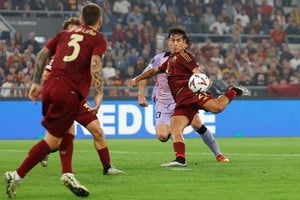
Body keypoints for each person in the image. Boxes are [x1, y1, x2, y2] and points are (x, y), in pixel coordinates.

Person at [5, 3, 110, 198]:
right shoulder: (98, 39)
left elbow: (43, 54)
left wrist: (36, 83)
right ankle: (16, 175)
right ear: (100, 20)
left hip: (51, 86)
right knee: (51, 141)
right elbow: (95, 63)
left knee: (68, 130)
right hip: (68, 91)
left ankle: (67, 173)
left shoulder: (63, 34)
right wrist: (99, 92)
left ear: (81, 18)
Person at [131, 27, 249, 167]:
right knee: (176, 128)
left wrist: (203, 79)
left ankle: (233, 91)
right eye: (173, 40)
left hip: (193, 94)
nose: (175, 43)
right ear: (169, 42)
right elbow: (154, 71)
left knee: (216, 108)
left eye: (179, 41)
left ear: (185, 44)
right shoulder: (166, 61)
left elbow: (196, 70)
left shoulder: (186, 56)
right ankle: (180, 159)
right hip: (181, 101)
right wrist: (137, 78)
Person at [39, 17, 123, 178]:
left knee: (97, 130)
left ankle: (107, 167)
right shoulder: (59, 55)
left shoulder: (85, 51)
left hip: (77, 100)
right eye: (71, 29)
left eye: (77, 29)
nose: (75, 32)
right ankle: (45, 151)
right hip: (63, 99)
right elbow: (45, 74)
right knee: (57, 141)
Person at [138, 51, 230, 162]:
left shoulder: (186, 59)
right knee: (162, 136)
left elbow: (200, 75)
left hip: (182, 99)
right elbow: (144, 75)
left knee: (198, 125)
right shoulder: (159, 59)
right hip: (163, 102)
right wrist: (141, 95)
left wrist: (206, 83)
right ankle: (178, 132)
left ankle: (218, 154)